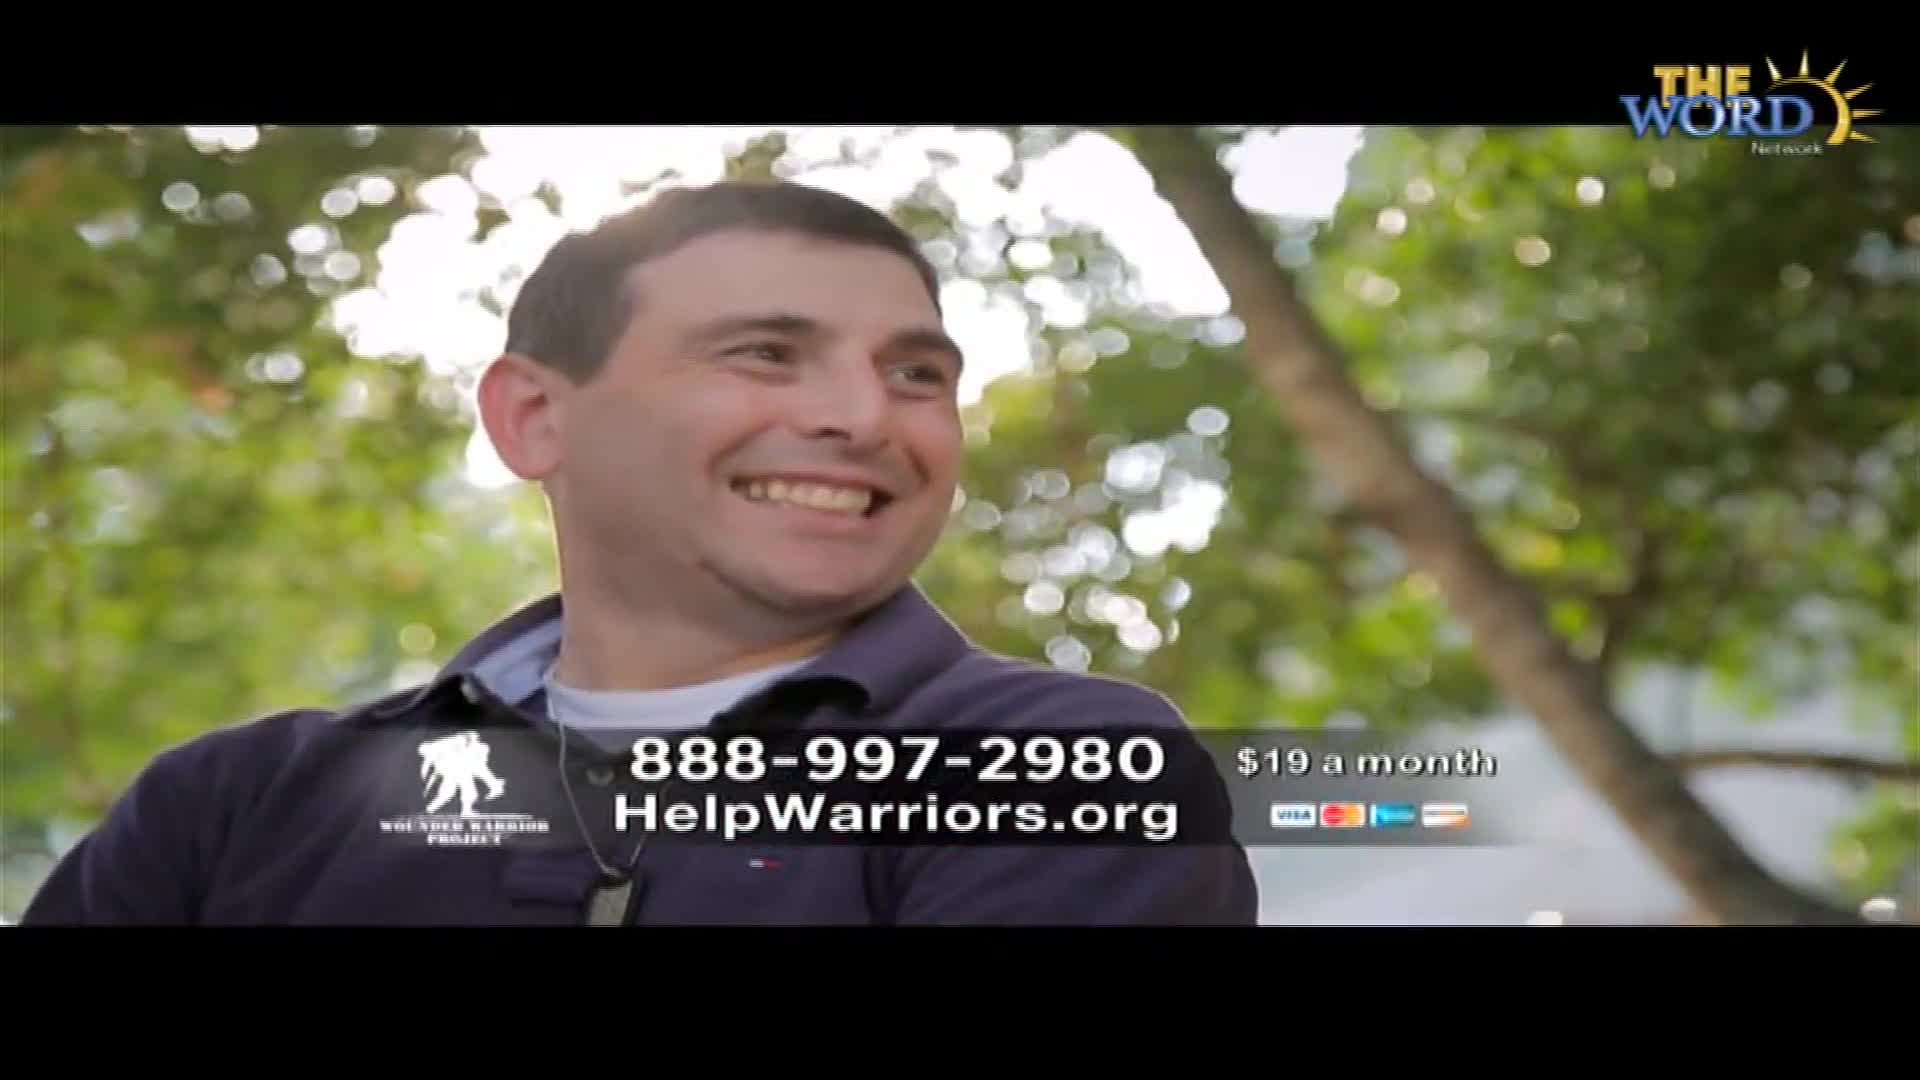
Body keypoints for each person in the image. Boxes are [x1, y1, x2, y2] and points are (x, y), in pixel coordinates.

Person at [22, 179, 1259, 926]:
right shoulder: (231, 810)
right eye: (765, 353)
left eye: (915, 374)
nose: (865, 417)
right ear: (534, 419)